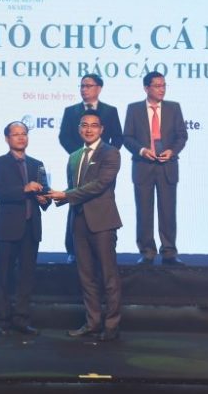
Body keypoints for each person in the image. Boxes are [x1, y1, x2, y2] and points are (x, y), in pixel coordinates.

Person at [47, 110, 122, 341]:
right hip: (78, 222)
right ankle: (92, 323)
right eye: (84, 125)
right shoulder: (74, 156)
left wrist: (66, 195)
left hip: (102, 222)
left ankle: (111, 327)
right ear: (79, 129)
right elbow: (74, 190)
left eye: (93, 125)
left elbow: (100, 185)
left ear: (101, 129)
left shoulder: (111, 153)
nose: (89, 129)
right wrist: (53, 196)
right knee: (86, 277)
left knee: (109, 277)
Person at [0, 121, 50, 336]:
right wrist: (24, 189)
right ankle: (2, 321)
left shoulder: (37, 164)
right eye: (16, 134)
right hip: (8, 228)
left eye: (24, 133)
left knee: (26, 277)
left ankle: (21, 319)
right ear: (7, 138)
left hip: (31, 228)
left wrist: (44, 199)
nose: (21, 137)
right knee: (4, 277)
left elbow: (45, 192)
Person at [123, 71, 188, 265]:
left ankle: (169, 252)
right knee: (144, 212)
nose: (162, 89)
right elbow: (127, 137)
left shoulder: (174, 108)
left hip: (167, 166)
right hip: (143, 166)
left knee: (168, 212)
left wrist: (172, 151)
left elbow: (182, 136)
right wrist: (142, 150)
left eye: (164, 85)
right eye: (158, 86)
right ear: (146, 88)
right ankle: (147, 252)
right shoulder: (134, 109)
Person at [58, 74, 123, 264]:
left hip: (102, 164)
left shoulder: (110, 110)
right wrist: (81, 154)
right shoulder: (71, 111)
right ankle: (73, 250)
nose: (84, 89)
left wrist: (101, 154)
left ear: (99, 88)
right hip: (79, 164)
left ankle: (100, 249)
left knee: (99, 202)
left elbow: (118, 137)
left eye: (88, 85)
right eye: (82, 86)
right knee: (75, 200)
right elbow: (64, 137)